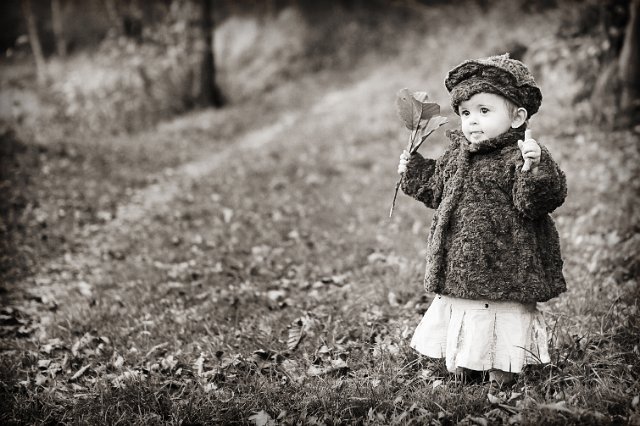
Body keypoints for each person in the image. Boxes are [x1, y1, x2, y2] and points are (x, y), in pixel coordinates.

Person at [397, 54, 567, 387]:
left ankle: (503, 367)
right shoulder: (458, 153)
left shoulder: (521, 154)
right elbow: (436, 189)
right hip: (463, 264)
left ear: (517, 117)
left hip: (509, 264)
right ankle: (464, 359)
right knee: (466, 310)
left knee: (502, 315)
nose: (472, 121)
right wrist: (414, 169)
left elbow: (538, 201)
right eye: (465, 113)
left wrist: (535, 168)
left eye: (484, 111)